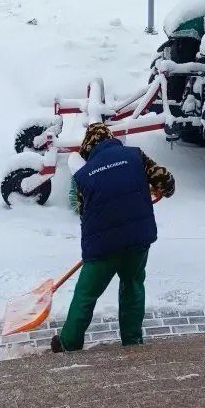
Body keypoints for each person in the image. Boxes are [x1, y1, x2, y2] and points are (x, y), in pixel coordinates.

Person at [51, 122, 175, 353]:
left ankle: (68, 343)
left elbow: (81, 209)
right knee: (132, 286)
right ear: (110, 139)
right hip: (136, 240)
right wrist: (163, 189)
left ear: (89, 148)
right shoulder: (134, 156)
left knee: (86, 294)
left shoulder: (84, 174)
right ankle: (132, 341)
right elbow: (165, 180)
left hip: (102, 247)